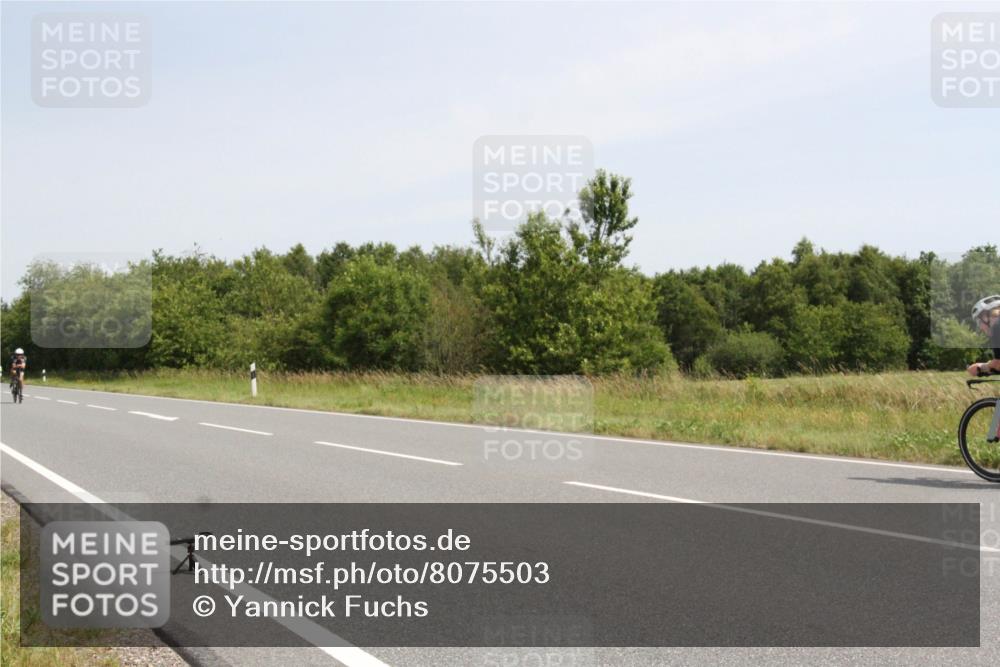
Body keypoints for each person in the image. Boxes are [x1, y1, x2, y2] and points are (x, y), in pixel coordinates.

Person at [967, 295, 1000, 377]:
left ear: (987, 316)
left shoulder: (996, 326)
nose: (981, 328)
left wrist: (980, 367)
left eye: (979, 322)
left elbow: (998, 364)